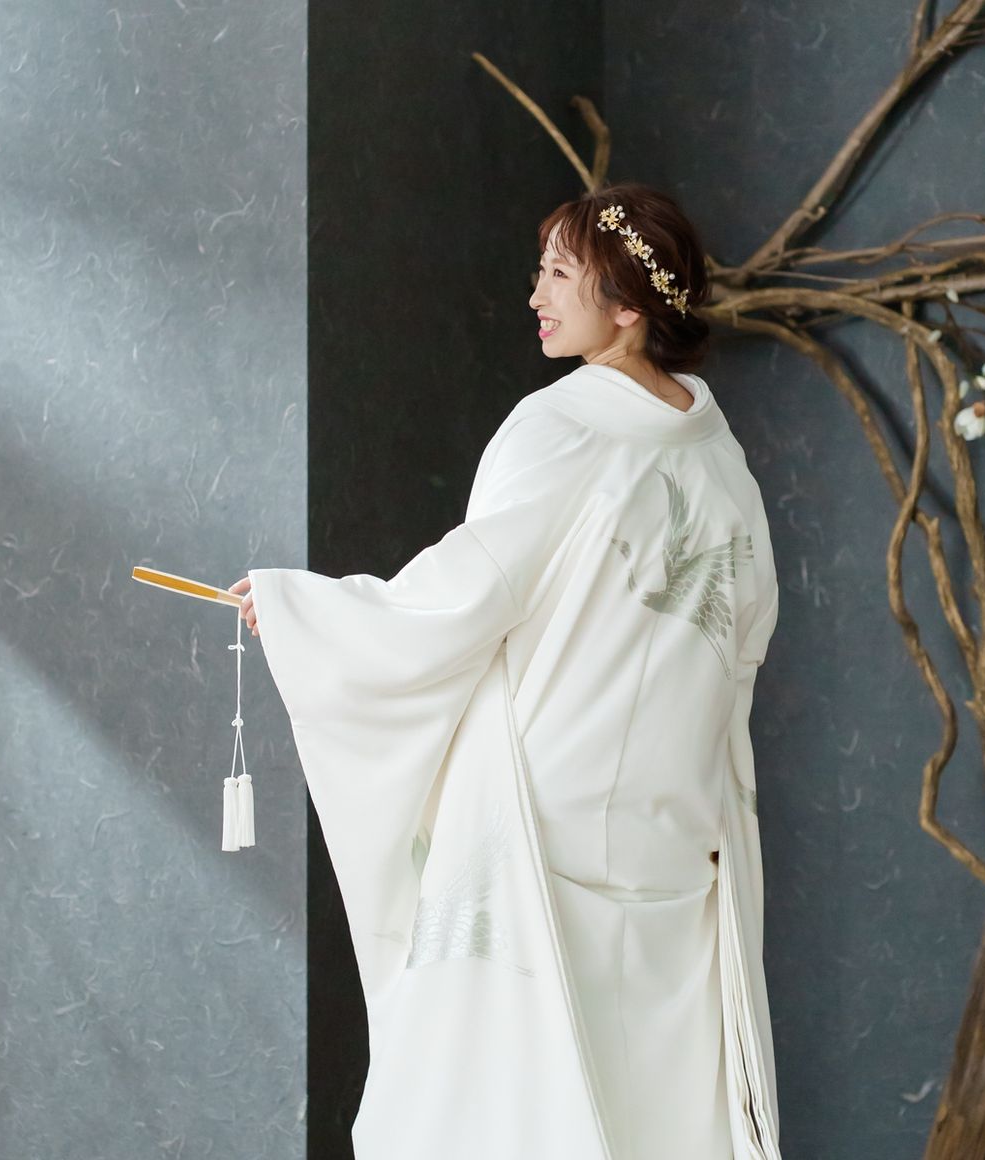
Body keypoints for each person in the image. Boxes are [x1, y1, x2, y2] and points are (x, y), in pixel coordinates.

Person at [230, 182, 782, 1160]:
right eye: (540, 271)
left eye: (560, 274)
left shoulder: (559, 426)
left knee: (507, 1114)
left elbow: (461, 597)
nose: (535, 294)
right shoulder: (721, 461)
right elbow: (743, 642)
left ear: (628, 305)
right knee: (654, 1111)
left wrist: (306, 612)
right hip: (674, 839)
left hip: (545, 826)